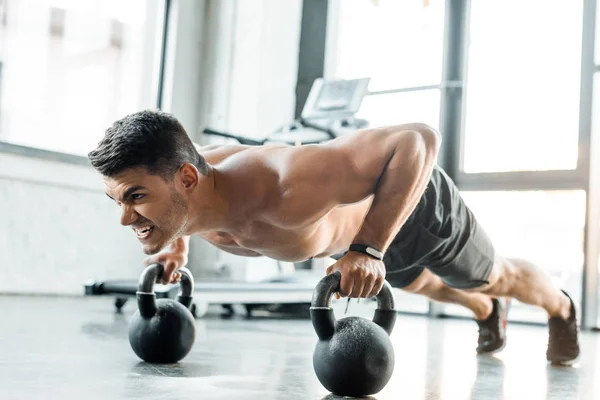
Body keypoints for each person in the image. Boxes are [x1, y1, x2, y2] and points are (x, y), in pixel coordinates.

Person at [88, 110, 579, 365]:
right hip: (364, 237)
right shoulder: (191, 192)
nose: (126, 217)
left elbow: (417, 139)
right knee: (424, 287)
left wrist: (367, 248)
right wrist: (176, 240)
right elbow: (177, 191)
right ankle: (488, 314)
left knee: (493, 276)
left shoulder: (287, 182)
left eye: (136, 197)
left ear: (188, 180)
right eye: (118, 201)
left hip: (414, 205)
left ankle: (561, 308)